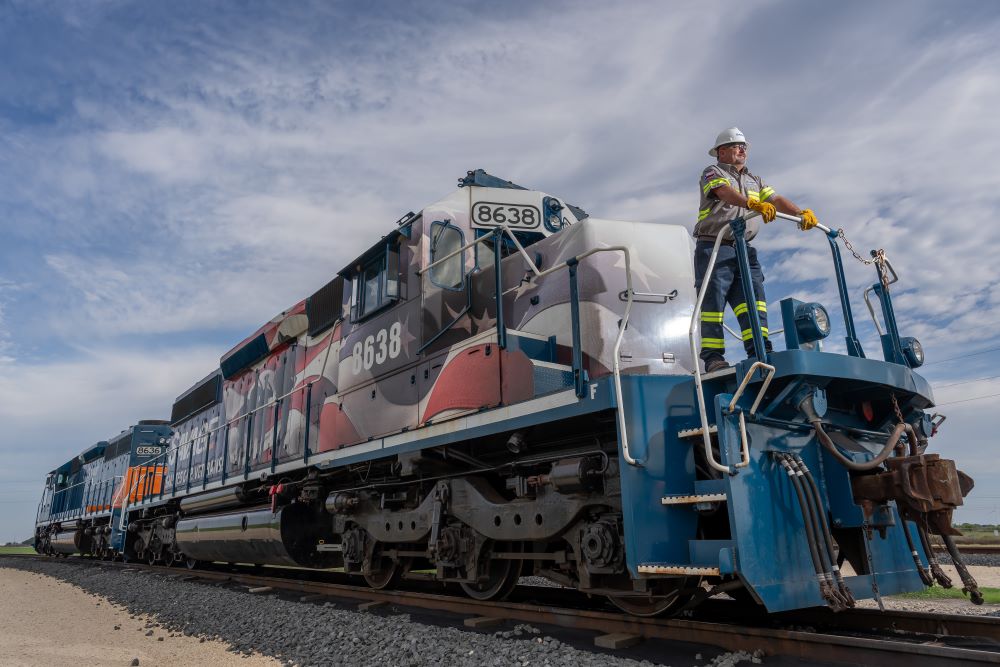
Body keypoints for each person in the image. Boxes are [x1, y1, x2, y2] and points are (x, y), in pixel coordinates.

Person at [694, 127, 819, 373]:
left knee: (754, 302)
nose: (742, 150)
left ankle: (760, 350)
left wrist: (799, 212)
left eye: (744, 147)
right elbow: (724, 192)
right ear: (721, 152)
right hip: (715, 245)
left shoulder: (755, 180)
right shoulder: (712, 172)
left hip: (744, 248)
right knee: (713, 304)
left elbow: (775, 200)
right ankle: (713, 358)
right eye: (736, 146)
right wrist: (751, 203)